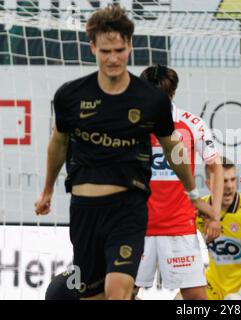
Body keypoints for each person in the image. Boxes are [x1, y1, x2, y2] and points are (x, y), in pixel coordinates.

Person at [34, 6, 212, 300]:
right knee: (94, 296)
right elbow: (58, 143)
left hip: (128, 210)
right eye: (105, 51)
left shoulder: (151, 100)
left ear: (129, 45)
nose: (113, 58)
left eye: (119, 49)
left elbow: (172, 148)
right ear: (92, 47)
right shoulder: (70, 95)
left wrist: (193, 194)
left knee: (119, 291)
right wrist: (47, 190)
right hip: (85, 210)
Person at [135, 65, 223, 300]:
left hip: (179, 227)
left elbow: (215, 166)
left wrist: (214, 213)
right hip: (136, 226)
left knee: (196, 299)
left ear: (172, 94)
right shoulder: (131, 126)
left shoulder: (191, 124)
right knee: (121, 293)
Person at [196, 158, 241, 300]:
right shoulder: (199, 209)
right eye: (224, 181)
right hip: (214, 287)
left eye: (233, 180)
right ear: (208, 184)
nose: (230, 186)